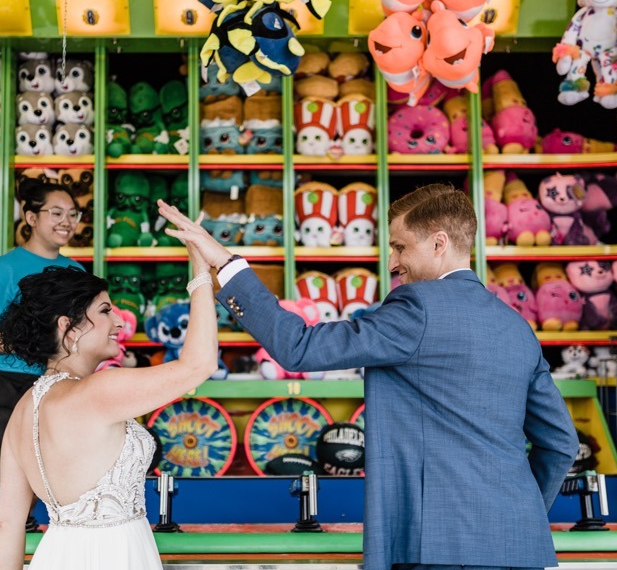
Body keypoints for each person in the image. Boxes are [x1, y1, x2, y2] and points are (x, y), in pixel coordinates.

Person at [158, 184, 579, 570]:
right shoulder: (517, 327)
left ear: (439, 243)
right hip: (519, 546)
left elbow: (298, 347)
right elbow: (561, 443)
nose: (393, 263)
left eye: (399, 246)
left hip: (434, 546)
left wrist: (225, 265)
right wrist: (518, 512)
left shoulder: (416, 309)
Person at [0, 262, 217, 569]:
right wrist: (201, 273)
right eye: (104, 311)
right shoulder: (99, 391)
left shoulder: (22, 409)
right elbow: (199, 365)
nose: (119, 322)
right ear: (68, 326)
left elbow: (8, 522)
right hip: (114, 556)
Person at [0, 179, 83, 484]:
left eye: (73, 214)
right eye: (56, 213)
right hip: (5, 384)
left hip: (57, 385)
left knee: (53, 472)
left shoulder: (76, 272)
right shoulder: (4, 269)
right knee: (10, 475)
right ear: (31, 217)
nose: (66, 222)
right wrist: (32, 343)